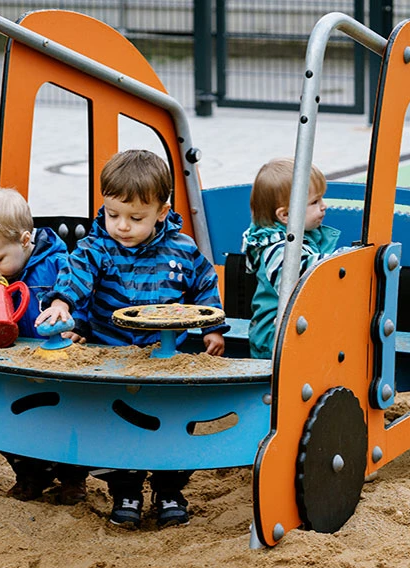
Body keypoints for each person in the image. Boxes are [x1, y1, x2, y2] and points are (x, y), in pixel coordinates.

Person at [37, 149, 230, 529]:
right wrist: (63, 302)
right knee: (118, 425)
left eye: (135, 217)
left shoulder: (183, 251)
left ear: (162, 211)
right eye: (113, 214)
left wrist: (212, 329)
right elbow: (77, 274)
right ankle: (125, 491)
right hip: (114, 356)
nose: (122, 226)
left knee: (174, 422)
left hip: (166, 359)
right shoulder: (98, 248)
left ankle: (169, 489)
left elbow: (205, 285)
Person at [0, 187, 88, 505]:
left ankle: (73, 479)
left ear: (25, 241)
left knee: (65, 421)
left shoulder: (59, 265)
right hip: (12, 365)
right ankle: (29, 476)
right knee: (8, 419)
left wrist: (79, 327)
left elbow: (81, 295)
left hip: (55, 364)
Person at [243, 157, 341, 359]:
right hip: (274, 337)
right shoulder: (279, 249)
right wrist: (345, 260)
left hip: (291, 330)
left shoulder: (300, 238)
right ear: (285, 215)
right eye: (315, 202)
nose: (324, 206)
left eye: (321, 199)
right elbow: (309, 276)